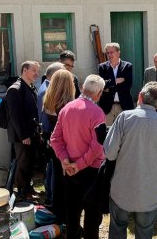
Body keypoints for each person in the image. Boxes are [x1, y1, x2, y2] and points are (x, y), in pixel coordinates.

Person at [104, 81, 157, 239]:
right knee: (145, 231)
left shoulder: (123, 118)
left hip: (122, 190)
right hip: (150, 193)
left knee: (118, 227)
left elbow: (110, 153)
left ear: (139, 96)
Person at [50, 74, 106, 239]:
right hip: (90, 170)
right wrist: (77, 164)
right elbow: (98, 145)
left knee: (72, 211)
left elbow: (55, 139)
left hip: (71, 169)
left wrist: (65, 160)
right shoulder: (97, 112)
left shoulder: (66, 108)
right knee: (92, 215)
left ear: (83, 88)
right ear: (99, 93)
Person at [42, 69, 76, 223]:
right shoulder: (66, 104)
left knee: (56, 179)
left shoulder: (48, 99)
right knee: (67, 184)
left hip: (53, 143)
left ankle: (58, 214)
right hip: (65, 146)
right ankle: (66, 218)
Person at [5, 60, 40, 200]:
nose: (37, 73)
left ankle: (27, 188)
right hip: (22, 135)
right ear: (25, 70)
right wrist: (24, 135)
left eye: (37, 71)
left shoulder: (29, 86)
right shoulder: (15, 89)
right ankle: (21, 192)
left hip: (30, 133)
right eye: (34, 70)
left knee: (30, 161)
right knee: (23, 163)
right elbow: (15, 115)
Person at [37, 62, 65, 206]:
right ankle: (51, 196)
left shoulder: (46, 87)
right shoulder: (47, 90)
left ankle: (50, 195)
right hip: (50, 134)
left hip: (48, 134)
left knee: (51, 167)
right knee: (53, 168)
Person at [98, 42, 134, 126]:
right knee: (105, 133)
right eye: (107, 53)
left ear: (118, 52)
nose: (109, 55)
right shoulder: (102, 67)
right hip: (106, 106)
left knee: (124, 133)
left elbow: (128, 85)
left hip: (124, 106)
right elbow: (101, 85)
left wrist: (108, 86)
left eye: (112, 52)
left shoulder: (127, 66)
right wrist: (116, 81)